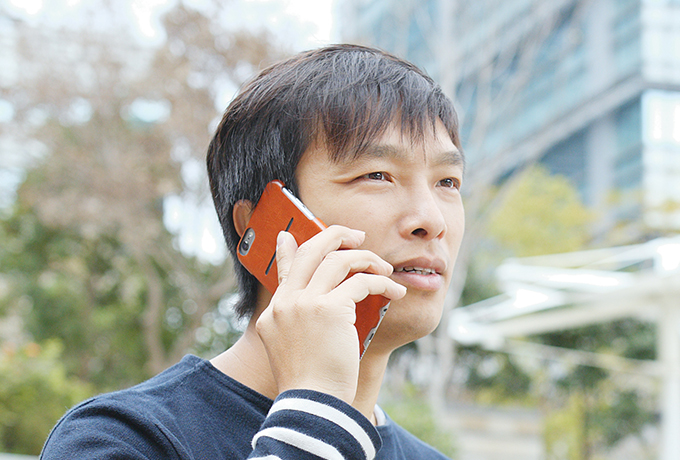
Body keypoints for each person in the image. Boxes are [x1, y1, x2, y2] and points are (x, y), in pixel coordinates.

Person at [40, 44, 465, 459]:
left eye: (447, 182)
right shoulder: (121, 440)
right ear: (262, 224)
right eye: (377, 175)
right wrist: (315, 416)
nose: (432, 220)